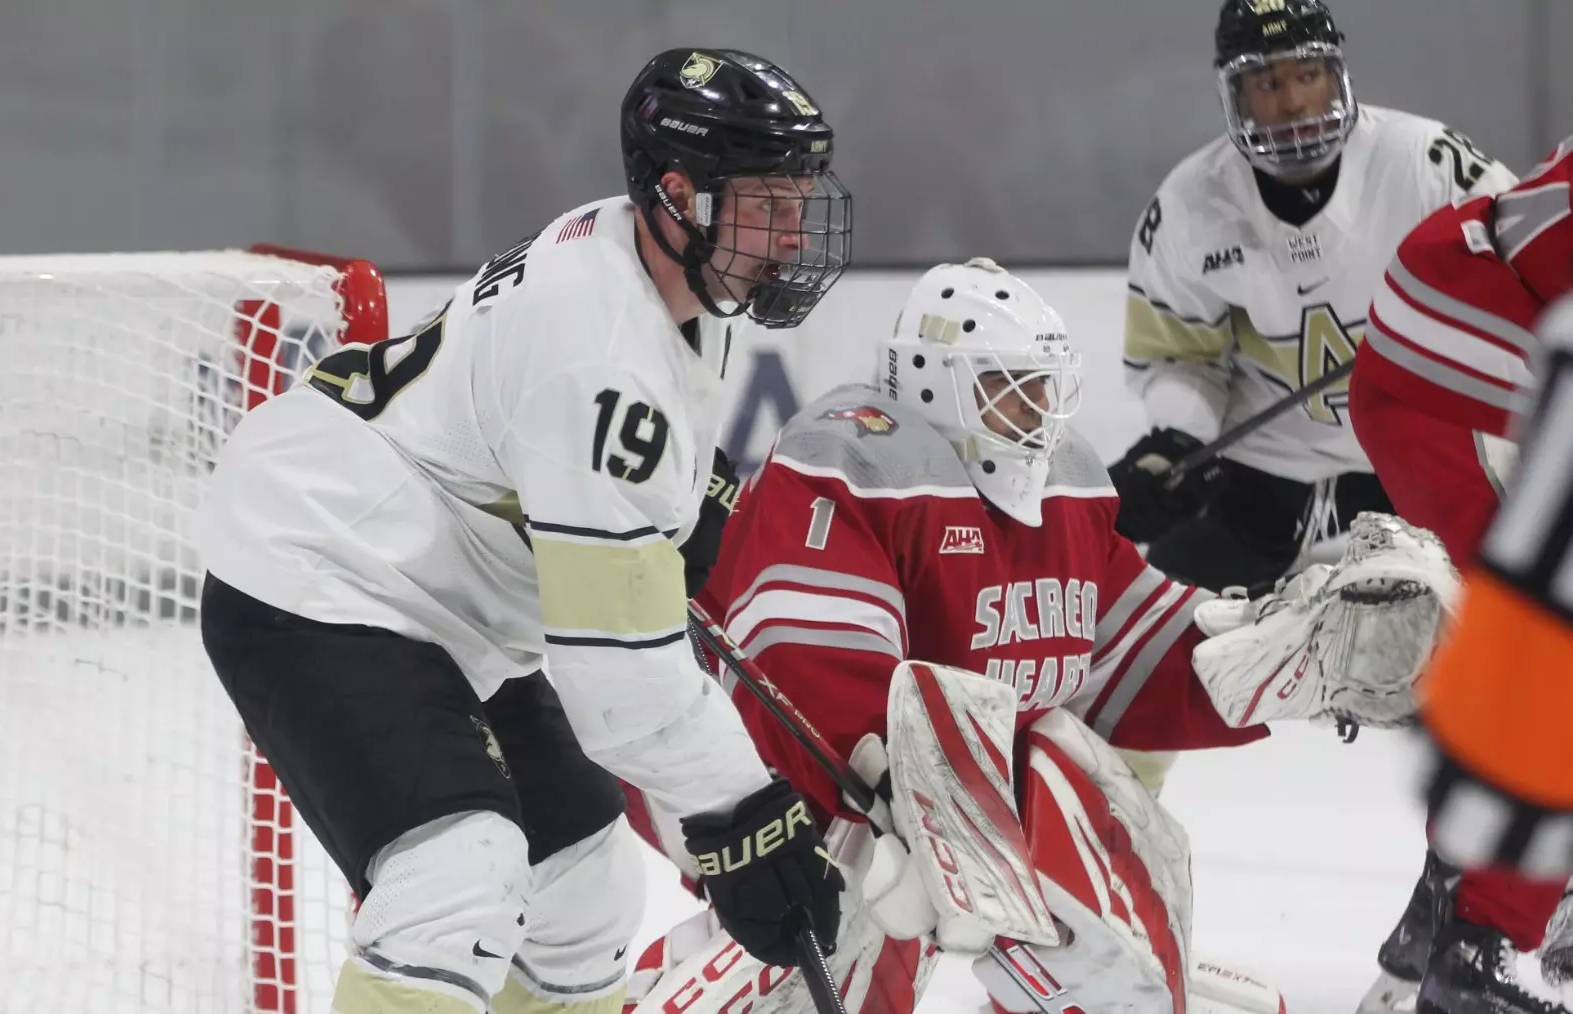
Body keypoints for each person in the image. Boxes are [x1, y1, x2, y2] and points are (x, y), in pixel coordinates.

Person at [191, 48, 852, 1014]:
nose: (792, 237)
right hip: (322, 572)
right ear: (679, 191)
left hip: (447, 593)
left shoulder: (652, 259)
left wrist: (671, 510)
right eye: (768, 204)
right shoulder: (601, 350)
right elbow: (616, 675)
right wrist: (740, 816)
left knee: (583, 890)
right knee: (456, 879)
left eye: (800, 202)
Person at [622, 259, 1454, 1014]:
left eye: (1044, 389)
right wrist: (914, 823)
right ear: (932, 380)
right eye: (1009, 389)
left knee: (1061, 767)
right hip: (727, 777)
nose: (1035, 415)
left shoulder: (1063, 487)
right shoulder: (852, 461)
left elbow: (1130, 648)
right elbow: (804, 684)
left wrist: (1289, 654)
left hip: (916, 809)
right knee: (834, 911)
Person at [1111, 0, 1516, 593]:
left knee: (1502, 616)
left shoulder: (1428, 165)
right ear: (1235, 94)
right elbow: (1181, 358)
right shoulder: (1188, 206)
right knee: (1170, 625)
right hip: (1264, 473)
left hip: (1422, 459)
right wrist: (1175, 441)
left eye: (1307, 75)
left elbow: (1523, 277)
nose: (1294, 102)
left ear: (1337, 76)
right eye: (1268, 82)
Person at [1347, 136, 1573, 1014]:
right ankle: (1482, 946)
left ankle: (1457, 906)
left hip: (1463, 369)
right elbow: (1535, 235)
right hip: (1443, 387)